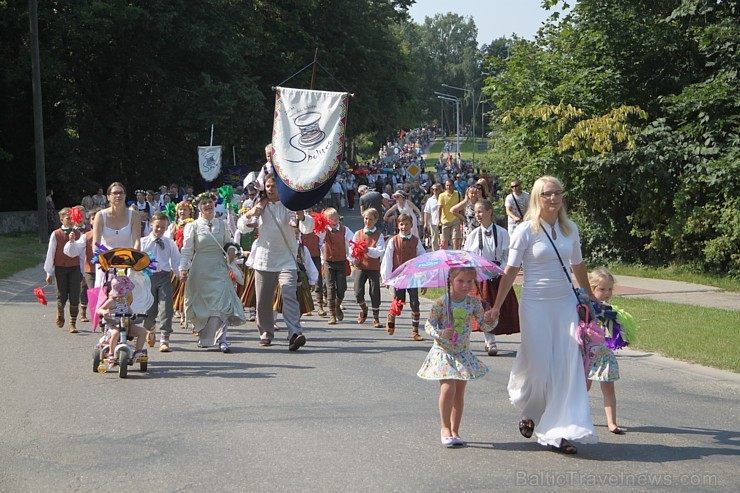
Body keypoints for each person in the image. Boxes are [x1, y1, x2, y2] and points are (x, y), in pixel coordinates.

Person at [490, 176, 597, 455]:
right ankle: (532, 409)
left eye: (557, 193)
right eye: (547, 194)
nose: (553, 198)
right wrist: (497, 306)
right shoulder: (525, 231)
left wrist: (592, 299)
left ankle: (560, 431)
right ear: (538, 198)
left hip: (565, 305)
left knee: (566, 367)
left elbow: (579, 266)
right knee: (539, 367)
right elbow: (510, 271)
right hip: (534, 305)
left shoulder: (570, 229)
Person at [417, 267, 492, 447]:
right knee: (448, 388)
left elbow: (485, 326)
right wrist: (440, 332)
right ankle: (445, 428)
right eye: (461, 281)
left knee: (459, 392)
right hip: (444, 352)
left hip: (462, 353)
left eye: (469, 282)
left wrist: (491, 318)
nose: (465, 285)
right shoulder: (442, 303)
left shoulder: (473, 303)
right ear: (450, 280)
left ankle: (455, 431)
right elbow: (428, 326)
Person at [241, 175, 314, 350]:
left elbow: (308, 228)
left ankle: (295, 333)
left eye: (274, 186)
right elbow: (242, 228)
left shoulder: (292, 205)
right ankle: (265, 332)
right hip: (264, 260)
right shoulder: (259, 206)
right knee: (263, 301)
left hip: (287, 260)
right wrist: (249, 214)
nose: (271, 189)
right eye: (268, 186)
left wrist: (302, 216)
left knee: (289, 292)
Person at [179, 192, 246, 353]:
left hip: (218, 268)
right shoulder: (193, 226)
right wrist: (182, 268)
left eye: (210, 202)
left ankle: (222, 339)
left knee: (223, 303)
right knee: (203, 306)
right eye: (204, 203)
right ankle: (206, 337)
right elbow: (187, 250)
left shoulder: (222, 225)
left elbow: (229, 243)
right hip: (200, 270)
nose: (208, 205)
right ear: (199, 207)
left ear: (214, 204)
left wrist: (231, 250)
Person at [463, 199, 519, 356]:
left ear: (490, 212)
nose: (478, 215)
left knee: (497, 307)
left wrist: (500, 270)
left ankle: (492, 338)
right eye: (475, 213)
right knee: (482, 307)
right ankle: (488, 340)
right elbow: (468, 256)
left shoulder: (502, 233)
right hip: (481, 276)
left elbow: (509, 255)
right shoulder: (473, 235)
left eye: (480, 212)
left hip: (498, 274)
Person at [587, 268, 626, 435]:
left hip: (604, 355)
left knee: (609, 389)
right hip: (587, 355)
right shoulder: (586, 307)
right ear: (592, 288)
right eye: (602, 289)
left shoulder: (609, 309)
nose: (607, 293)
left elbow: (615, 332)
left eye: (610, 289)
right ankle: (578, 418)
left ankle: (612, 422)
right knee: (583, 388)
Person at [381, 213, 426, 341]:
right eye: (401, 224)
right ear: (397, 225)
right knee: (398, 302)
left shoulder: (416, 241)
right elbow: (388, 259)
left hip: (412, 277)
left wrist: (423, 279)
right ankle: (391, 317)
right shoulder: (393, 241)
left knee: (414, 302)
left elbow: (422, 259)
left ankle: (415, 331)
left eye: (406, 224)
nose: (404, 227)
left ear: (411, 225)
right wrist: (387, 278)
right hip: (399, 277)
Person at [141, 212, 180, 352]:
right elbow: (137, 261)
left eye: (163, 228)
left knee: (166, 308)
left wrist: (179, 272)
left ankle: (165, 338)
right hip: (148, 277)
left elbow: (176, 260)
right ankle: (150, 328)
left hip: (164, 276)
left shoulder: (170, 243)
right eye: (157, 226)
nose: (159, 230)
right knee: (149, 309)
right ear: (151, 225)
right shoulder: (143, 242)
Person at [92, 182, 141, 286]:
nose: (118, 195)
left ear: (125, 195)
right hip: (106, 263)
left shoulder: (134, 216)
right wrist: (101, 261)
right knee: (105, 298)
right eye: (115, 193)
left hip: (127, 262)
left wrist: (134, 260)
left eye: (121, 193)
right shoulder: (100, 216)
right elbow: (95, 243)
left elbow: (137, 241)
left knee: (128, 298)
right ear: (108, 197)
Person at [44, 207, 84, 333]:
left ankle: (73, 323)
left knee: (74, 294)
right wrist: (48, 272)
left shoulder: (78, 234)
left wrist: (83, 271)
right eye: (68, 218)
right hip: (60, 268)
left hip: (75, 268)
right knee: (61, 294)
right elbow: (51, 253)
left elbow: (82, 255)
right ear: (61, 220)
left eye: (72, 218)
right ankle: (60, 313)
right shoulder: (56, 234)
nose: (71, 220)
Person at [97, 275, 147, 364]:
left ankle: (138, 351)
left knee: (142, 332)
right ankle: (111, 353)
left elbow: (130, 312)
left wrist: (136, 315)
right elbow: (99, 309)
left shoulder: (125, 301)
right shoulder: (111, 301)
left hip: (126, 326)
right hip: (114, 325)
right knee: (115, 333)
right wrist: (104, 312)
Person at [351, 208, 386, 328]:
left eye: (371, 219)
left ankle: (376, 318)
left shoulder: (379, 235)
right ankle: (363, 309)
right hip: (361, 266)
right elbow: (352, 248)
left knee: (374, 291)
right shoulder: (358, 233)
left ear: (375, 220)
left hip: (373, 267)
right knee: (357, 291)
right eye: (366, 218)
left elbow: (380, 251)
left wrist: (368, 250)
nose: (368, 221)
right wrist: (353, 257)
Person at [319, 207, 353, 325]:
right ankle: (332, 314)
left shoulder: (345, 230)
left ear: (339, 218)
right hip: (329, 262)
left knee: (342, 288)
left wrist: (352, 257)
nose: (334, 221)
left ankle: (338, 304)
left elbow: (352, 243)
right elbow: (319, 243)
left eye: (335, 218)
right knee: (330, 288)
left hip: (341, 262)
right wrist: (322, 258)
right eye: (330, 219)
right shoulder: (324, 231)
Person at [437, 179, 463, 249]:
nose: (448, 187)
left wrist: (461, 218)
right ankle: (444, 255)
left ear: (453, 186)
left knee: (455, 239)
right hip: (445, 221)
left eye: (450, 185)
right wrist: (438, 220)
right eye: (447, 185)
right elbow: (439, 208)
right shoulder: (442, 196)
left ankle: (455, 254)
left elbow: (461, 207)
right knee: (444, 241)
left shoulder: (458, 194)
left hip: (455, 220)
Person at [423, 184, 442, 251]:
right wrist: (425, 223)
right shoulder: (430, 200)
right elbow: (426, 212)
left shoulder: (443, 198)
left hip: (443, 222)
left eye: (436, 189)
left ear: (440, 189)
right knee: (434, 241)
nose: (435, 191)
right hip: (433, 223)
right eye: (433, 189)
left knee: (442, 240)